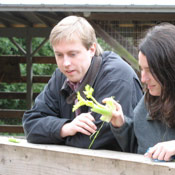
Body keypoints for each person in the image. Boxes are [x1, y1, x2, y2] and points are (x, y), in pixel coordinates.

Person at [22, 16, 143, 151]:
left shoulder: (116, 76)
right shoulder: (60, 76)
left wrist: (52, 135)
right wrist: (65, 128)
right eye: (59, 55)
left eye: (72, 54)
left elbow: (92, 141)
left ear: (92, 49)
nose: (65, 63)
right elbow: (31, 124)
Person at [106, 23, 175, 162]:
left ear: (173, 69)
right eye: (142, 69)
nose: (143, 78)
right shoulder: (145, 105)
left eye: (150, 70)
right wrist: (121, 126)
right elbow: (138, 149)